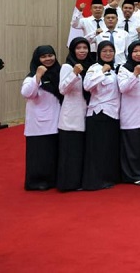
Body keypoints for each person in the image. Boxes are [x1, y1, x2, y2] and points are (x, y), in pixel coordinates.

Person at [21, 45, 62, 191]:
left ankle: (52, 179)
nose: (48, 59)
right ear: (37, 59)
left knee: (53, 153)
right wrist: (37, 77)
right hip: (38, 124)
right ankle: (36, 181)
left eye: (51, 55)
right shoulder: (31, 76)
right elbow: (27, 93)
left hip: (57, 121)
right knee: (39, 154)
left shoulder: (59, 73)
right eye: (44, 56)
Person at [82, 41, 121, 190]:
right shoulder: (94, 68)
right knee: (97, 149)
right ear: (99, 53)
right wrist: (102, 71)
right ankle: (95, 180)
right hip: (98, 112)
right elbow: (87, 86)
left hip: (113, 113)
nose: (108, 53)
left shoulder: (117, 68)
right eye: (104, 51)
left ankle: (108, 177)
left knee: (109, 148)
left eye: (111, 51)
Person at [56, 38, 92, 191]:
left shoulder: (91, 66)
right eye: (79, 48)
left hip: (87, 112)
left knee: (81, 151)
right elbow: (62, 89)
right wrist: (74, 74)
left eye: (85, 48)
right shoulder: (67, 66)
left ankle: (80, 181)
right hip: (71, 114)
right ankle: (67, 183)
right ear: (73, 50)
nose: (82, 51)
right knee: (70, 151)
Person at [117, 40, 140, 186]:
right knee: (132, 147)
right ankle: (132, 175)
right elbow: (123, 88)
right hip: (131, 113)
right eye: (135, 51)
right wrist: (135, 74)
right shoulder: (124, 69)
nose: (139, 54)